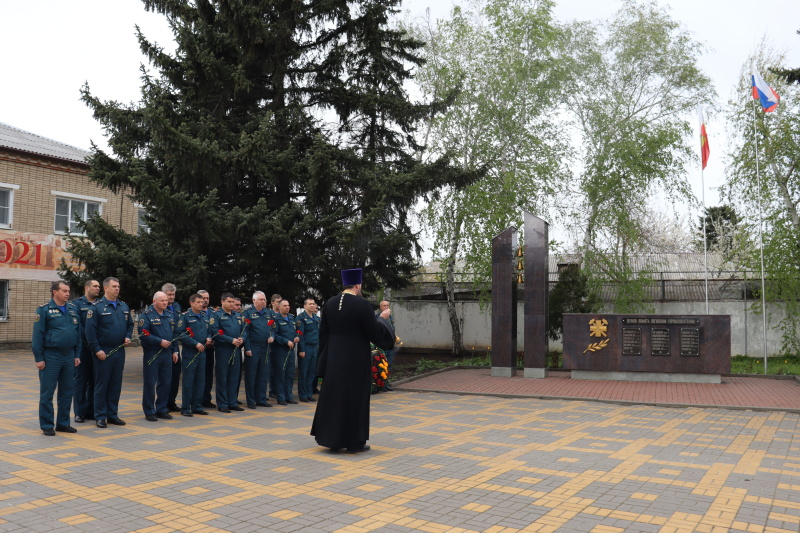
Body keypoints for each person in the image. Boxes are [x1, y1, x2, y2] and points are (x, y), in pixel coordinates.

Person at [311, 268, 394, 453]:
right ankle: (354, 442)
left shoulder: (330, 303)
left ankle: (332, 439)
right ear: (358, 285)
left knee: (334, 397)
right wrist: (382, 319)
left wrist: (324, 359)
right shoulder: (362, 304)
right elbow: (373, 332)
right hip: (355, 358)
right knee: (354, 398)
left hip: (334, 358)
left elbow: (323, 334)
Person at [32, 280, 82, 436]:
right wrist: (39, 358)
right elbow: (37, 336)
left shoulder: (73, 309)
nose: (68, 294)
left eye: (68, 291)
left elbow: (78, 334)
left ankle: (63, 423)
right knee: (47, 392)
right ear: (55, 292)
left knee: (67, 391)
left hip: (69, 356)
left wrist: (77, 354)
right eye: (64, 291)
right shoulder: (44, 310)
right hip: (51, 356)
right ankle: (47, 424)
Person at [85, 277, 133, 428]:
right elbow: (89, 332)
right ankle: (100, 416)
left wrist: (128, 336)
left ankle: (112, 414)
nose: (117, 289)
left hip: (119, 350)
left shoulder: (123, 306)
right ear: (106, 288)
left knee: (115, 384)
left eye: (118, 286)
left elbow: (130, 325)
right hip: (103, 351)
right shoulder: (96, 308)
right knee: (102, 384)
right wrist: (97, 349)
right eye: (114, 286)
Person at [139, 291, 179, 421]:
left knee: (166, 382)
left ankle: (161, 408)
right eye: (162, 300)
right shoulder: (146, 316)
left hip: (167, 353)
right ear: (154, 301)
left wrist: (175, 350)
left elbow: (175, 335)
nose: (165, 303)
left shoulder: (170, 315)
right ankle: (149, 411)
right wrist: (159, 341)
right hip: (153, 353)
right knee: (150, 383)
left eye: (166, 301)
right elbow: (144, 334)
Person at [177, 293, 212, 416]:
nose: (201, 304)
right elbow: (180, 334)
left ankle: (197, 406)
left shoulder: (204, 316)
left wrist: (208, 338)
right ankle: (186, 408)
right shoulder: (185, 317)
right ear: (191, 303)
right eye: (198, 302)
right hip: (190, 352)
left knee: (200, 380)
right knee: (189, 381)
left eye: (202, 302)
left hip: (202, 352)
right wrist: (195, 343)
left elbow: (209, 331)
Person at [72, 279, 100, 423]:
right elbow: (78, 326)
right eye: (95, 286)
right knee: (81, 381)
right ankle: (79, 412)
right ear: (86, 287)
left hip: (96, 348)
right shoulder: (77, 304)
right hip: (82, 348)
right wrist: (89, 340)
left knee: (95, 380)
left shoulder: (100, 305)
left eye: (99, 287)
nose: (97, 289)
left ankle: (91, 410)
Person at [213, 292, 245, 412]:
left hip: (236, 349)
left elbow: (244, 330)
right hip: (223, 350)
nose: (232, 304)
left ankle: (232, 402)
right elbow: (215, 332)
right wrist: (230, 340)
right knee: (223, 377)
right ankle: (222, 403)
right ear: (222, 302)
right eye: (229, 302)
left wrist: (242, 339)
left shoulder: (237, 315)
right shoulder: (217, 315)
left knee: (234, 377)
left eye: (233, 302)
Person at [242, 291, 275, 408]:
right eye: (261, 299)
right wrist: (247, 348)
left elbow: (273, 328)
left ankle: (261, 399)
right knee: (251, 375)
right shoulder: (248, 313)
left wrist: (272, 337)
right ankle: (251, 401)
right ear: (254, 300)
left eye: (264, 299)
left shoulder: (268, 313)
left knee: (263, 374)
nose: (263, 302)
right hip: (253, 347)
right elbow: (245, 332)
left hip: (265, 347)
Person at [271, 299, 298, 405]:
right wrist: (286, 341)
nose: (287, 307)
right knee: (280, 374)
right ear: (279, 307)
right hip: (280, 350)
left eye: (288, 305)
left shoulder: (291, 318)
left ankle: (289, 396)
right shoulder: (276, 319)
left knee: (290, 374)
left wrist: (297, 337)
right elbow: (275, 335)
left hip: (291, 350)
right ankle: (281, 397)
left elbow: (295, 331)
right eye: (285, 305)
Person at [163, 283, 183, 412]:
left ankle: (172, 402)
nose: (171, 297)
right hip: (164, 346)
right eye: (169, 295)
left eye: (173, 295)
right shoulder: (160, 307)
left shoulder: (176, 306)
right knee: (165, 378)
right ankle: (163, 403)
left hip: (175, 343)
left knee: (175, 377)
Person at [296, 297, 320, 402]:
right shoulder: (301, 318)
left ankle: (309, 393)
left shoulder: (316, 318)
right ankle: (303, 394)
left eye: (313, 304)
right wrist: (301, 349)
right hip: (305, 347)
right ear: (305, 306)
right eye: (309, 304)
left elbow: (319, 333)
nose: (312, 305)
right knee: (304, 372)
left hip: (315, 347)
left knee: (312, 372)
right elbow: (300, 335)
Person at [198, 290, 217, 408]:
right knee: (199, 375)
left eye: (207, 298)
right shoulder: (195, 313)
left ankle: (206, 399)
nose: (205, 300)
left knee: (208, 375)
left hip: (210, 348)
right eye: (203, 298)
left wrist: (212, 339)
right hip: (199, 348)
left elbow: (214, 328)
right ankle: (197, 400)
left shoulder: (213, 313)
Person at [376, 300, 396, 392]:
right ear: (380, 307)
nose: (386, 307)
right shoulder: (378, 318)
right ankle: (381, 385)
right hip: (382, 346)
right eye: (384, 306)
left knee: (389, 365)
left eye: (388, 305)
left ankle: (386, 384)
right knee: (381, 365)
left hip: (390, 346)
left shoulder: (390, 317)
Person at [267, 293, 282, 398]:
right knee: (271, 369)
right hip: (271, 345)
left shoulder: (282, 314)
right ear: (272, 303)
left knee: (279, 369)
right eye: (278, 302)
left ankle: (278, 390)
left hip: (281, 345)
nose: (280, 304)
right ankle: (272, 390)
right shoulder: (269, 314)